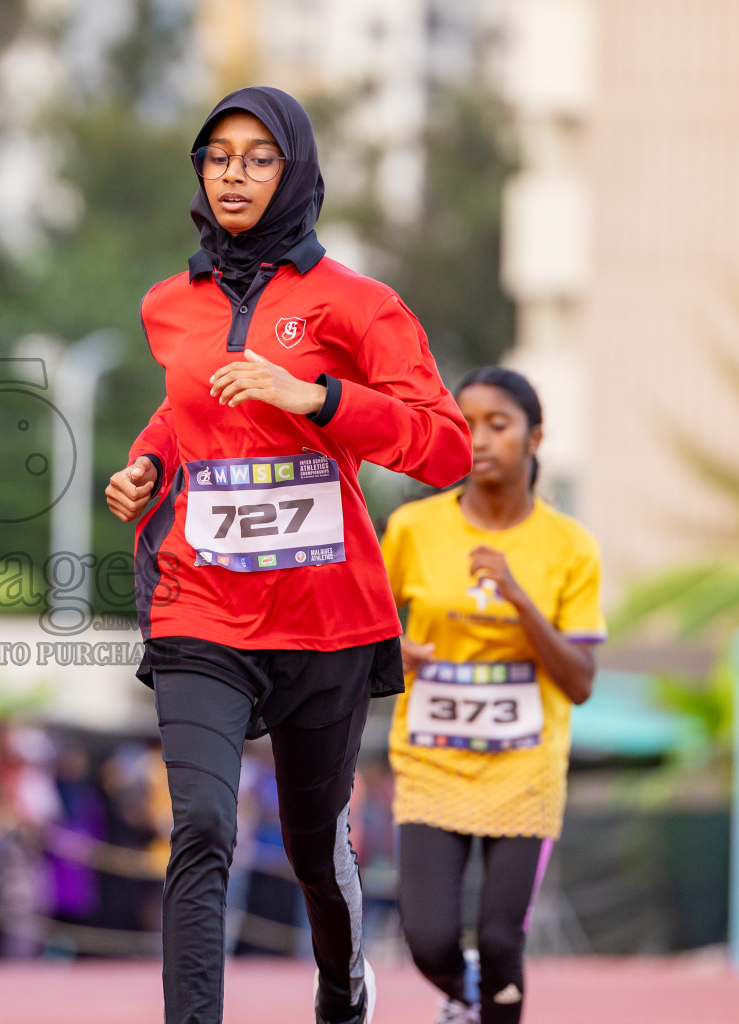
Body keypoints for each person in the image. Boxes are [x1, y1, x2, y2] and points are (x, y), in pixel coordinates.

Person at [104, 86, 471, 1024]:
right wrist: (148, 461)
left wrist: (317, 399)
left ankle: (343, 988)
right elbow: (191, 405)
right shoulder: (167, 303)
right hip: (201, 605)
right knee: (203, 828)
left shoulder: (359, 305)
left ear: (296, 170)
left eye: (258, 157)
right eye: (217, 155)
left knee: (315, 847)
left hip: (324, 619)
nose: (233, 172)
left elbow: (447, 446)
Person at [381, 368, 605, 1024]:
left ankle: (487, 999)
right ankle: (464, 993)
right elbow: (362, 627)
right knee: (426, 941)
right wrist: (391, 651)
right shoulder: (413, 528)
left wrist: (519, 598)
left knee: (504, 940)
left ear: (536, 437)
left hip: (524, 767)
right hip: (432, 761)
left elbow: (581, 682)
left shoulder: (570, 546)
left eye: (497, 425)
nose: (477, 439)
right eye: (465, 423)